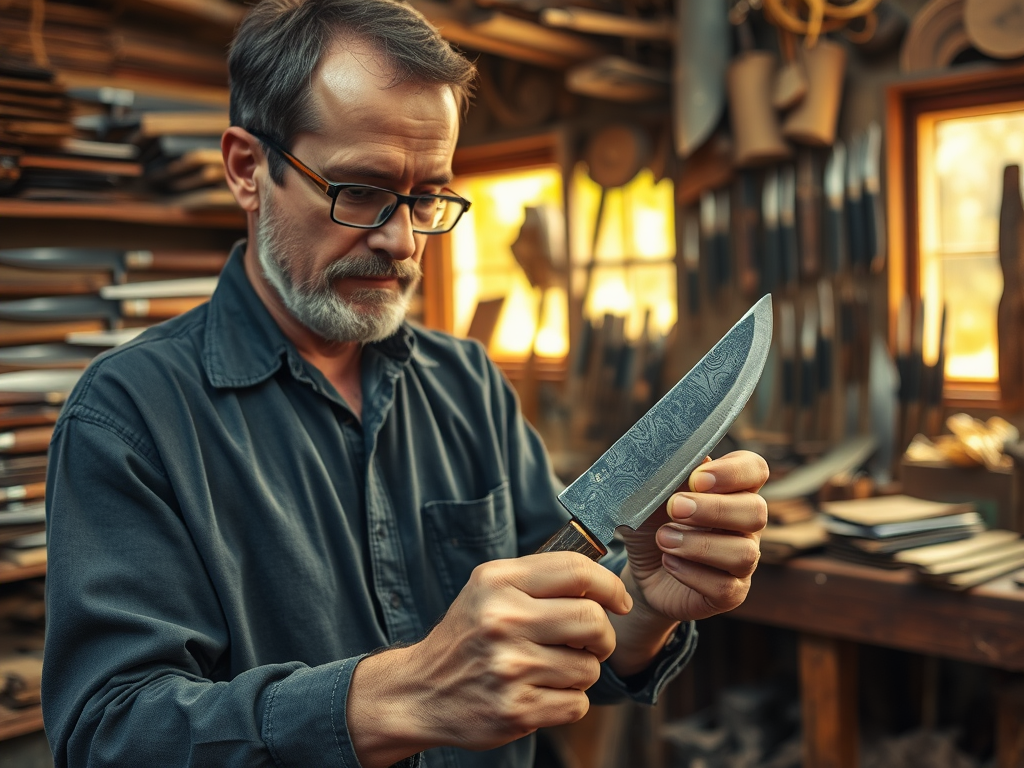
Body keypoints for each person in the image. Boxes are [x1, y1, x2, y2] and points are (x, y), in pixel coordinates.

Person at [41, 1, 769, 766]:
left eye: (428, 197)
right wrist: (400, 695)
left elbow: (558, 630)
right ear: (247, 169)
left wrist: (647, 607)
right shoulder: (128, 418)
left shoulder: (466, 384)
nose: (401, 239)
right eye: (359, 190)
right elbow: (107, 735)